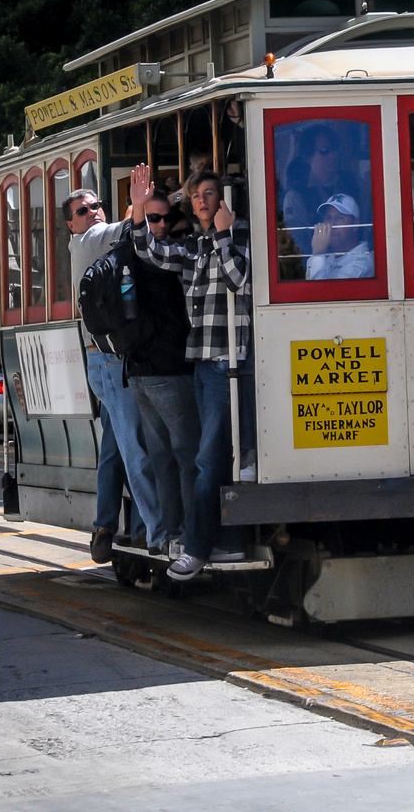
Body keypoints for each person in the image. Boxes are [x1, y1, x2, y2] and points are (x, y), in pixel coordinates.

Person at [128, 163, 254, 582]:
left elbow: (241, 281)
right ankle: (222, 540)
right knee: (212, 459)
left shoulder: (239, 237)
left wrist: (222, 234)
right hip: (202, 362)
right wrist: (137, 207)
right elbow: (150, 251)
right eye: (196, 195)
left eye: (209, 193)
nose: (201, 200)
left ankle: (198, 547)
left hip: (229, 363)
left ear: (223, 200)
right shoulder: (195, 247)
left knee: (207, 458)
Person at [65, 186, 166, 564]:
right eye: (82, 210)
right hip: (110, 362)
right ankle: (155, 531)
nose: (92, 212)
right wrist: (141, 205)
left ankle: (106, 527)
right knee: (135, 446)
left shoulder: (90, 245)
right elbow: (128, 228)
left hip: (107, 360)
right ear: (70, 224)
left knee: (115, 447)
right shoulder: (89, 239)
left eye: (95, 206)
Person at [125, 191, 201, 562]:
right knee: (188, 457)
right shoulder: (161, 257)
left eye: (167, 221)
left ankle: (169, 535)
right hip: (170, 369)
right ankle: (189, 535)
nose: (163, 227)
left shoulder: (125, 251)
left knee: (163, 460)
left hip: (138, 371)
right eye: (155, 220)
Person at [305, 194, 374, 280]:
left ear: (356, 224)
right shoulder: (332, 255)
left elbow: (322, 292)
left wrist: (318, 255)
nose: (332, 224)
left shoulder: (361, 263)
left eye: (339, 218)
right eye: (328, 218)